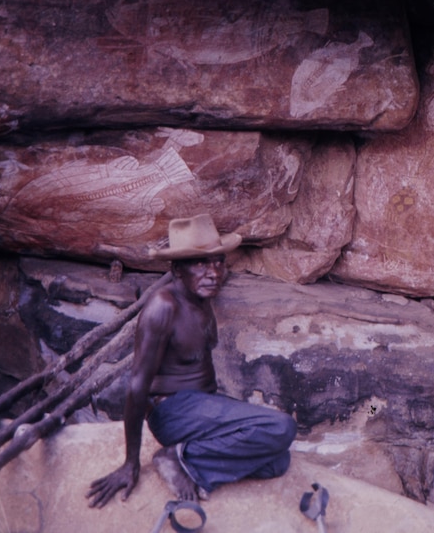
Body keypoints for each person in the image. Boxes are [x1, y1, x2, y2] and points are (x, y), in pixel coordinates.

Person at [87, 213, 296, 508]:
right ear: (176, 270)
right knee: (282, 427)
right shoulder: (163, 306)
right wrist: (130, 463)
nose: (213, 272)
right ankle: (176, 458)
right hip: (172, 411)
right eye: (200, 263)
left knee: (279, 461)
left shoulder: (201, 295)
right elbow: (136, 388)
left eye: (219, 261)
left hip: (201, 407)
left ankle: (187, 456)